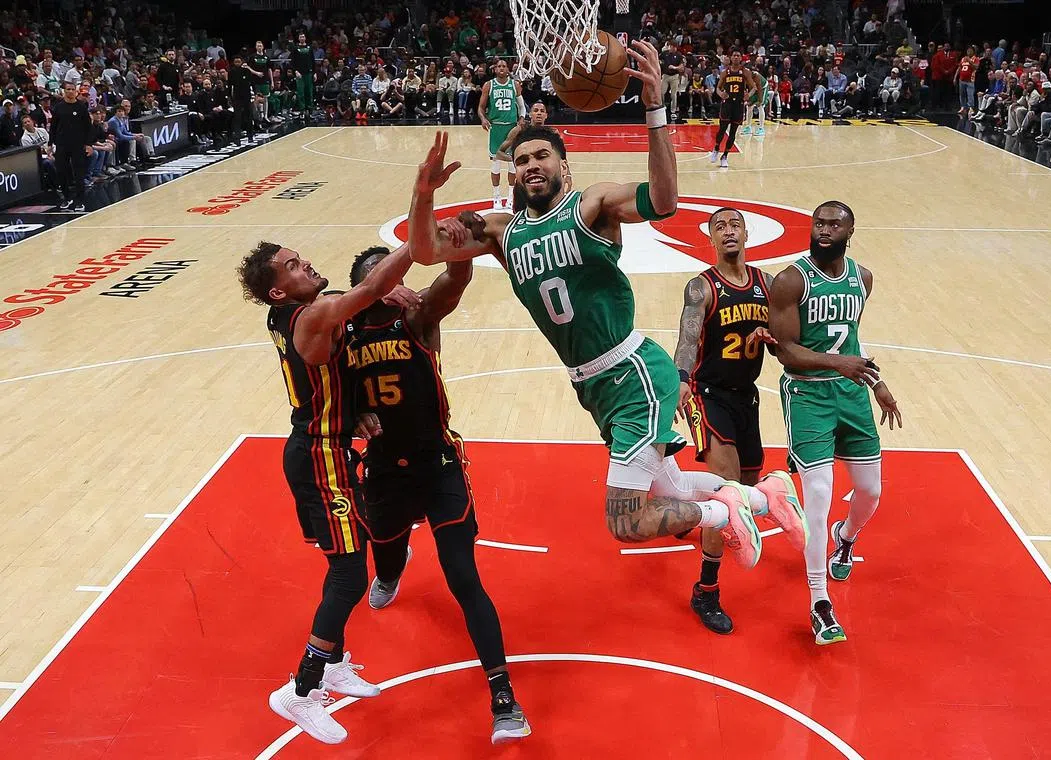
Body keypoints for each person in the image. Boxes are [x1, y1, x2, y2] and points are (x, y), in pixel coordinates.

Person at [407, 51, 806, 593]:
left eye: (542, 155)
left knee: (625, 520)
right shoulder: (500, 231)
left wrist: (655, 110)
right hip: (594, 385)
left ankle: (727, 510)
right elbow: (426, 250)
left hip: (632, 373)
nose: (530, 165)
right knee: (669, 491)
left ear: (563, 166)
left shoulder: (590, 205)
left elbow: (664, 201)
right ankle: (768, 495)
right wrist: (424, 194)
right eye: (521, 159)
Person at [348, 248, 531, 745]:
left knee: (463, 578)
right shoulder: (342, 329)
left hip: (438, 467)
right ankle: (393, 567)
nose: (395, 280)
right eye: (380, 275)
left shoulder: (417, 315)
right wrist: (350, 416)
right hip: (384, 471)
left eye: (397, 272)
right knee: (385, 558)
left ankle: (504, 698)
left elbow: (456, 280)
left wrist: (461, 250)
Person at [237, 240, 417, 745]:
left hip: (321, 448)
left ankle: (334, 663)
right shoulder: (312, 317)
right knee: (349, 575)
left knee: (347, 560)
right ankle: (300, 689)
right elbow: (370, 287)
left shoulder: (288, 315)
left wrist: (352, 412)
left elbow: (345, 304)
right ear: (279, 291)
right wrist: (418, 238)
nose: (308, 264)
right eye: (293, 266)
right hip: (320, 458)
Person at [767, 201, 903, 645]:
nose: (824, 230)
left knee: (870, 492)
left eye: (834, 224)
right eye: (819, 223)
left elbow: (852, 340)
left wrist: (876, 382)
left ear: (850, 231)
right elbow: (784, 349)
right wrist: (837, 364)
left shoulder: (862, 279)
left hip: (852, 394)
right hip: (808, 395)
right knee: (819, 496)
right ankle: (819, 602)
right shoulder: (791, 280)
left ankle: (846, 537)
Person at [674, 207, 802, 634]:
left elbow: (787, 344)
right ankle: (706, 591)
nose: (728, 232)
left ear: (747, 234)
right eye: (719, 227)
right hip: (708, 395)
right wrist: (679, 380)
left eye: (734, 225)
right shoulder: (702, 287)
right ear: (710, 238)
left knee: (746, 487)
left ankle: (687, 513)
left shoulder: (767, 285)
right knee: (730, 495)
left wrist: (772, 339)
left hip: (746, 397)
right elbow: (687, 340)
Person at [479, 59, 524, 210]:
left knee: (512, 163)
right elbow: (481, 107)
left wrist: (521, 119)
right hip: (496, 127)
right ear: (495, 69)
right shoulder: (489, 85)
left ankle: (511, 197)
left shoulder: (514, 85)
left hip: (511, 127)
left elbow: (522, 107)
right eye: (499, 66)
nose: (502, 68)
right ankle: (496, 197)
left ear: (508, 69)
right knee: (496, 163)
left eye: (504, 66)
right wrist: (483, 119)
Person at [708, 51, 759, 168]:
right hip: (727, 104)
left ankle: (725, 156)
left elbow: (754, 87)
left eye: (738, 55)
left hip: (738, 105)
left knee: (733, 132)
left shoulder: (745, 72)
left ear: (741, 58)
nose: (736, 57)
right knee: (722, 129)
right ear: (731, 58)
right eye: (734, 55)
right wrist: (720, 94)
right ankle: (716, 148)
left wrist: (749, 95)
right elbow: (718, 88)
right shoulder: (725, 72)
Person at [50, 81, 92, 211]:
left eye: (73, 89)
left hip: (78, 145)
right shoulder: (58, 107)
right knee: (61, 171)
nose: (70, 91)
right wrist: (50, 143)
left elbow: (88, 127)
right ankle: (67, 198)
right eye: (68, 89)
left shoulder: (81, 107)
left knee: (79, 173)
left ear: (76, 91)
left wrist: (88, 144)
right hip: (62, 144)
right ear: (64, 91)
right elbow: (53, 126)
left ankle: (80, 201)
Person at [229, 54, 256, 145]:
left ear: (241, 62)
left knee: (249, 116)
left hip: (247, 97)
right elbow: (230, 85)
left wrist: (254, 93)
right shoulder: (231, 72)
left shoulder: (246, 71)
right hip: (237, 98)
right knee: (237, 118)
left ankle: (250, 135)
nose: (237, 63)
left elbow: (252, 83)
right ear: (233, 62)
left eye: (239, 61)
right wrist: (230, 97)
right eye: (236, 62)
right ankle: (237, 138)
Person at [291, 33, 316, 118]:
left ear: (305, 38)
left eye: (303, 37)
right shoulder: (295, 48)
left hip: (308, 73)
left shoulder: (309, 48)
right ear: (298, 38)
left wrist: (314, 72)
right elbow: (293, 61)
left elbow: (313, 60)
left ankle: (310, 110)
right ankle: (302, 110)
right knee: (301, 92)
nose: (302, 38)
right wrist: (296, 71)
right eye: (300, 37)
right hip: (299, 74)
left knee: (309, 92)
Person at [250, 41, 273, 128]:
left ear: (263, 47)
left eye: (260, 46)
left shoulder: (266, 57)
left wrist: (272, 81)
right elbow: (248, 68)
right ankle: (259, 117)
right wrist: (256, 73)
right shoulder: (253, 57)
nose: (259, 47)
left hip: (265, 81)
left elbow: (269, 69)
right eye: (258, 46)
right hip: (256, 81)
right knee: (257, 99)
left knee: (265, 98)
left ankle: (265, 117)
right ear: (256, 47)